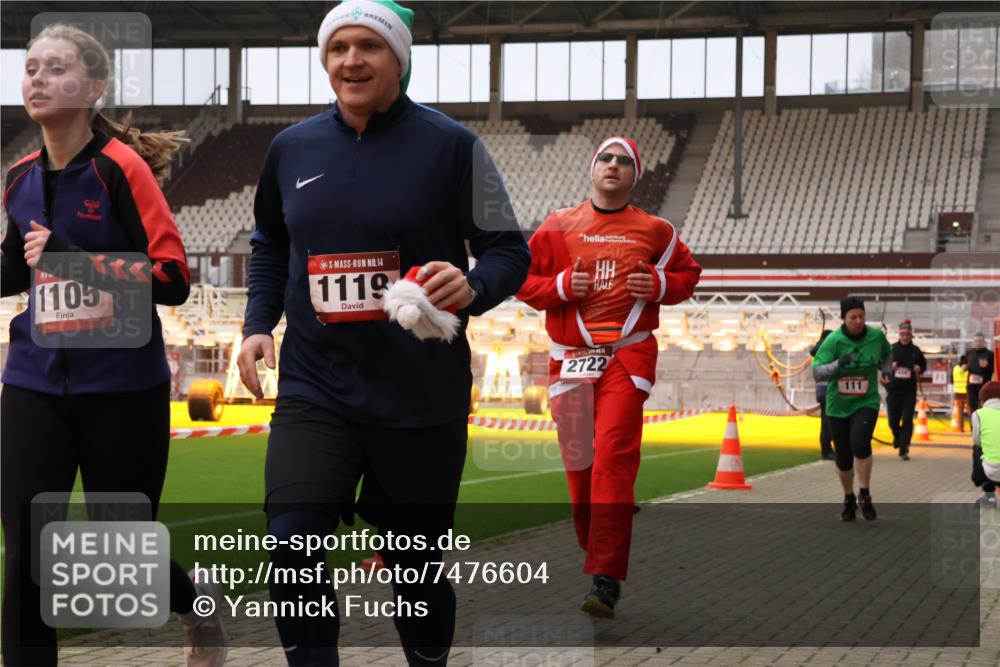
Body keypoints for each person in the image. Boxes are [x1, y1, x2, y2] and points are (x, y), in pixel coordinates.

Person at [236, 2, 530, 665]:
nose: (351, 59)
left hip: (419, 395)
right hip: (316, 386)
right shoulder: (291, 149)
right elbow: (270, 244)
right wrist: (258, 325)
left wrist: (474, 284)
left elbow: (510, 249)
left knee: (415, 566)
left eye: (368, 45)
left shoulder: (453, 146)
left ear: (398, 58)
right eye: (337, 47)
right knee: (293, 543)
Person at [1, 24, 227, 667]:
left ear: (95, 87)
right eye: (30, 68)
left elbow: (174, 279)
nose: (38, 79)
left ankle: (196, 602)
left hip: (122, 388)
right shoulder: (18, 176)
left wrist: (75, 260)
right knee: (28, 552)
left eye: (56, 69)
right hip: (33, 381)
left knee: (120, 558)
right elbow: (16, 269)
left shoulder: (120, 169)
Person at [516, 136, 702, 618]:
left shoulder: (657, 230)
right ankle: (599, 552)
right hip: (570, 362)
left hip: (624, 359)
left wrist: (660, 284)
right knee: (580, 476)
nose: (614, 166)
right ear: (592, 168)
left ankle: (606, 577)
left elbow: (688, 274)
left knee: (611, 465)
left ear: (635, 174)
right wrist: (559, 286)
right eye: (606, 158)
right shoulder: (558, 225)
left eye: (624, 161)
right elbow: (521, 279)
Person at [811, 296, 892, 522]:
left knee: (860, 443)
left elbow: (887, 353)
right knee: (844, 458)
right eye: (853, 317)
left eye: (861, 316)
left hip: (866, 401)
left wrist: (886, 371)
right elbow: (816, 372)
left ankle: (864, 493)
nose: (858, 321)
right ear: (843, 319)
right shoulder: (833, 342)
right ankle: (848, 497)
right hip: (838, 405)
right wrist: (838, 365)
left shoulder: (876, 336)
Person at [880, 320, 926, 461]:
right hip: (893, 390)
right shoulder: (891, 349)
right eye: (902, 334)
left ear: (911, 335)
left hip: (909, 392)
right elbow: (880, 365)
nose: (905, 337)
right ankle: (898, 437)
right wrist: (889, 369)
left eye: (907, 334)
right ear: (899, 335)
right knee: (893, 422)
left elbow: (923, 366)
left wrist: (919, 369)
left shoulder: (916, 351)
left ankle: (904, 448)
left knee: (907, 420)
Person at [971, 381, 1000, 507]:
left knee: (977, 449)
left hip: (990, 471)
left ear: (982, 400)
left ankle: (989, 495)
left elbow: (977, 441)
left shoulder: (978, 414)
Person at [810, 329, 836, 461]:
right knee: (827, 422)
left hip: (827, 390)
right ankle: (826, 451)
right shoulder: (823, 351)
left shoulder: (822, 351)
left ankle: (830, 449)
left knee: (830, 421)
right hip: (826, 390)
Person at [968, 333, 996, 413]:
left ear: (984, 342)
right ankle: (973, 425)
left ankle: (984, 425)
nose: (978, 343)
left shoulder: (990, 355)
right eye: (976, 341)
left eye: (980, 341)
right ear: (973, 342)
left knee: (984, 408)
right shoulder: (969, 353)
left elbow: (994, 371)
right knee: (972, 409)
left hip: (984, 386)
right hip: (972, 387)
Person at [954, 355, 970, 432]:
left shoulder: (955, 368)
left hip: (957, 392)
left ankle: (960, 428)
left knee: (959, 411)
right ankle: (972, 428)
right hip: (967, 392)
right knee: (970, 411)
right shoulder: (967, 369)